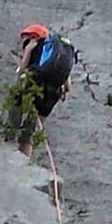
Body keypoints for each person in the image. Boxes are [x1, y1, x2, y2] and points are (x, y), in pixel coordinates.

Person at [12, 23, 76, 153]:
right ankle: (25, 156)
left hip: (34, 87)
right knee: (31, 129)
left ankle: (9, 136)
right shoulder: (57, 54)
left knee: (15, 104)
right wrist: (63, 92)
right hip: (51, 96)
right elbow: (67, 83)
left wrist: (27, 52)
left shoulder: (34, 46)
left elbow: (21, 70)